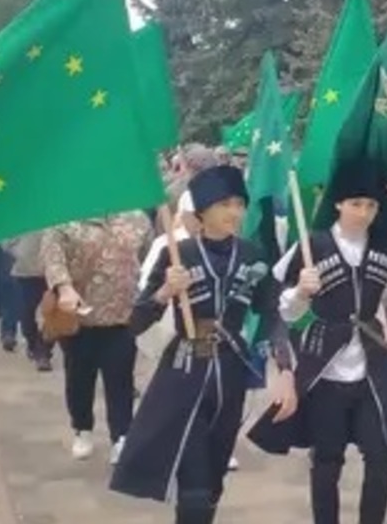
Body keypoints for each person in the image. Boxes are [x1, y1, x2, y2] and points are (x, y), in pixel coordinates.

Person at [246, 176, 387, 524]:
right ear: (338, 204)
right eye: (355, 204)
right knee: (327, 459)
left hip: (372, 365)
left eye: (371, 206)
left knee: (382, 455)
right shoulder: (314, 245)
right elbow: (284, 313)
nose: (363, 213)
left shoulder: (385, 245)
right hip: (326, 365)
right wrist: (301, 293)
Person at [109, 165, 298, 524]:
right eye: (225, 204)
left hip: (230, 375)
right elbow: (135, 321)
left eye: (240, 204)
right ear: (203, 210)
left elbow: (272, 315)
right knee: (193, 481)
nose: (235, 212)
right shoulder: (178, 254)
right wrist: (165, 291)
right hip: (185, 373)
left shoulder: (253, 256)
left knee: (212, 481)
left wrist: (285, 368)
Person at [42, 211, 152, 462]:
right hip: (79, 317)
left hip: (122, 316)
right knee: (79, 377)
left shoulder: (137, 219)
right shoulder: (66, 220)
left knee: (121, 379)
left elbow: (145, 257)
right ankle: (82, 428)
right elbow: (52, 259)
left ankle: (121, 435)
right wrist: (64, 287)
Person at [5, 231, 54, 371]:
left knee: (53, 313)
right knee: (26, 312)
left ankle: (43, 351)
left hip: (54, 269)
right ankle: (32, 343)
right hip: (26, 269)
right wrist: (16, 250)